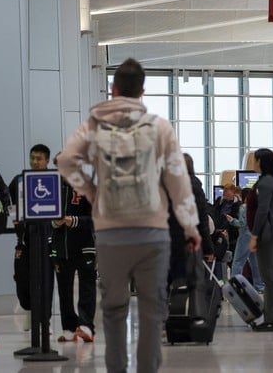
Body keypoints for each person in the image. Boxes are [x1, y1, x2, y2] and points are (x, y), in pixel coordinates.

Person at [58, 57, 201, 373]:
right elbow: (178, 180)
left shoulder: (94, 125)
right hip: (153, 231)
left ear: (114, 88)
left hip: (110, 233)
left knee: (113, 310)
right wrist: (190, 226)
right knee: (152, 310)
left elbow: (66, 160)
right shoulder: (159, 127)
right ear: (142, 92)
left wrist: (94, 193)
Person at [50, 152, 97, 343]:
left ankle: (86, 326)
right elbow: (46, 215)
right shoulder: (53, 187)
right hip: (61, 247)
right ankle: (69, 327)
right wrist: (54, 223)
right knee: (64, 288)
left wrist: (73, 221)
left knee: (87, 286)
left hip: (85, 245)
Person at [7, 144, 54, 328]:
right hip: (25, 241)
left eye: (39, 158)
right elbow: (7, 201)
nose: (35, 162)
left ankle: (44, 322)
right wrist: (15, 220)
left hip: (47, 242)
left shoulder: (53, 181)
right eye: (32, 158)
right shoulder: (20, 180)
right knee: (22, 279)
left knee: (46, 283)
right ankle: (29, 308)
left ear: (47, 161)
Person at [248, 148, 273, 332]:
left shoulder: (265, 183)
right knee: (269, 275)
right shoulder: (272, 181)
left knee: (268, 276)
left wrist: (254, 235)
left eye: (255, 160)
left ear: (261, 162)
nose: (253, 163)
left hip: (267, 232)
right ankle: (271, 317)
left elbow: (262, 211)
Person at [167, 153, 214, 286]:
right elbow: (201, 219)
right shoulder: (193, 186)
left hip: (168, 240)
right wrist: (208, 248)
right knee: (187, 281)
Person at [227, 187, 264, 292]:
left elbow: (242, 224)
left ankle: (235, 285)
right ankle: (259, 286)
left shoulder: (244, 207)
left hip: (245, 236)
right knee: (255, 263)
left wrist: (232, 220)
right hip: (255, 236)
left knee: (238, 262)